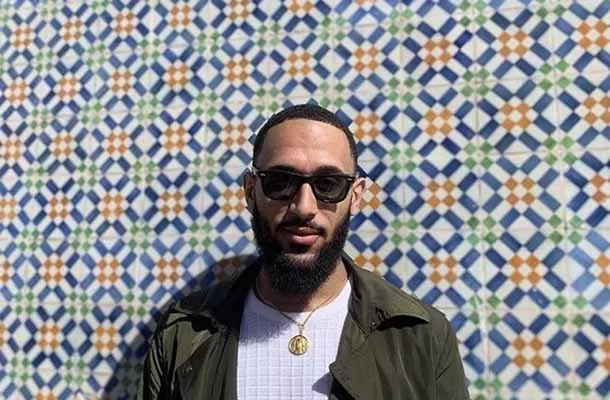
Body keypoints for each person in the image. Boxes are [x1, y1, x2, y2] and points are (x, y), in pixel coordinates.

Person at [138, 103, 470, 399]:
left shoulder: (420, 336)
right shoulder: (183, 333)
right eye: (281, 181)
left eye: (328, 184)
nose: (304, 207)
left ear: (355, 196)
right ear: (251, 192)